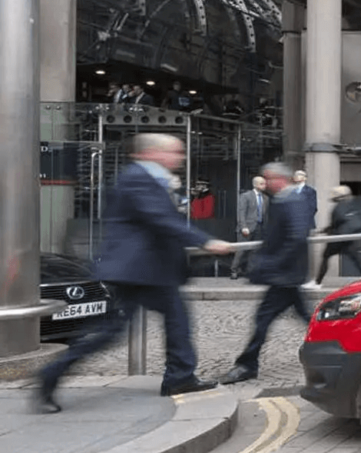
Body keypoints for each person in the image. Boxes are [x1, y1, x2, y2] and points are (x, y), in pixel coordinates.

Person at [34, 134, 232, 411]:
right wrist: (205, 240)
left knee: (177, 320)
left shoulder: (154, 179)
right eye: (176, 152)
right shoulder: (137, 177)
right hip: (135, 270)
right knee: (110, 332)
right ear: (153, 153)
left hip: (152, 270)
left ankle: (180, 376)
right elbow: (159, 219)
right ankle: (50, 374)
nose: (180, 158)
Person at [221, 164, 315, 383]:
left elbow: (296, 237)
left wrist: (271, 264)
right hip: (286, 276)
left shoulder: (291, 201)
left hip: (285, 276)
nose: (266, 183)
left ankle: (247, 365)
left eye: (269, 178)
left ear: (279, 179)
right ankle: (336, 345)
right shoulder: (283, 200)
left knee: (263, 319)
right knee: (305, 316)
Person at [316, 185, 361, 284]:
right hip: (349, 237)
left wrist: (324, 230)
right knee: (358, 260)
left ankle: (317, 282)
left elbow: (335, 223)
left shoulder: (338, 207)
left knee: (326, 256)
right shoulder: (350, 205)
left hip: (339, 238)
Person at [232, 174, 268, 279]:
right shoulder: (246, 196)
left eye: (264, 183)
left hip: (260, 227)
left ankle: (251, 271)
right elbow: (241, 212)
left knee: (255, 250)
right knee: (241, 250)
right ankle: (234, 270)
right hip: (247, 227)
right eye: (262, 184)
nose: (264, 185)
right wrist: (243, 226)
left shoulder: (266, 198)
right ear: (256, 185)